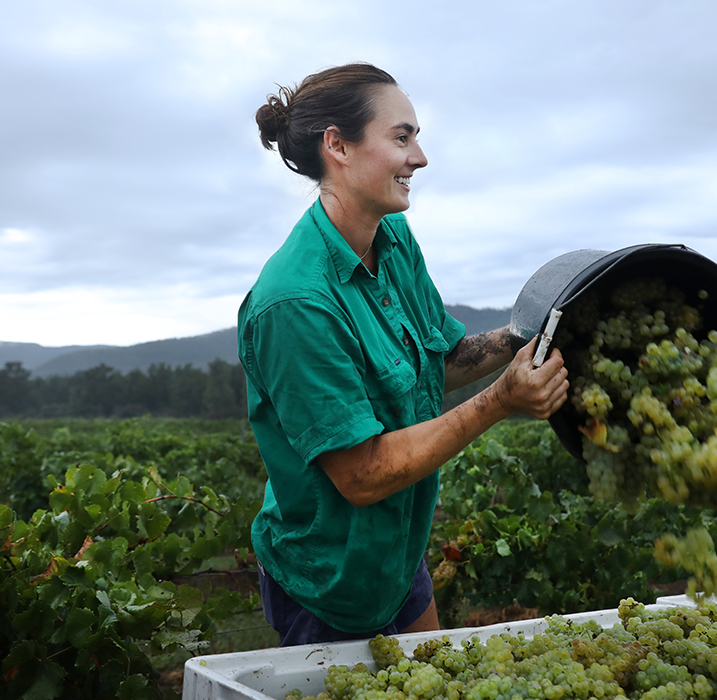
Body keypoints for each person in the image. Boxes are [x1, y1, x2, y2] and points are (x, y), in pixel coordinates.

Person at [239, 62, 569, 646]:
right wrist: (499, 402)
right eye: (402, 137)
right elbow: (362, 475)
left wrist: (527, 332)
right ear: (337, 146)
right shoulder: (294, 303)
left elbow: (434, 365)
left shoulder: (391, 239)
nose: (420, 157)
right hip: (331, 580)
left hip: (397, 554)